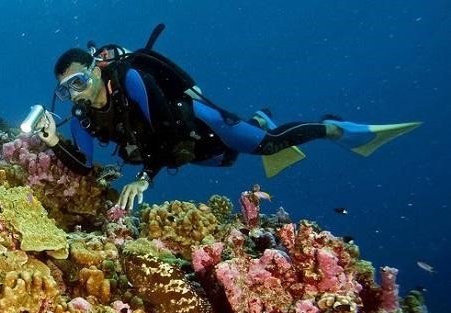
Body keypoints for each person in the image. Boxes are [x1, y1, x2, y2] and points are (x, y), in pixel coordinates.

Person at [32, 27, 422, 211]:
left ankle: (335, 128)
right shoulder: (82, 115)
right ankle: (260, 117)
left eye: (80, 80)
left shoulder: (131, 77)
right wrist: (54, 144)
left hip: (197, 124)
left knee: (266, 147)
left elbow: (166, 129)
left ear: (97, 69)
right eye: (66, 90)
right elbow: (83, 167)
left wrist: (146, 176)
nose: (76, 93)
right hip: (183, 154)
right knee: (229, 159)